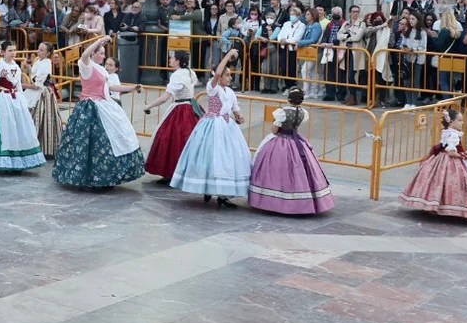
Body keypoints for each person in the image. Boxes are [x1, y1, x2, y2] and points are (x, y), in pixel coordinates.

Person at [51, 36, 144, 188]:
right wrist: (99, 41)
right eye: (100, 53)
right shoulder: (86, 66)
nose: (103, 56)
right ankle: (87, 176)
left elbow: (111, 87)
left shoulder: (101, 70)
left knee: (111, 140)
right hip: (90, 106)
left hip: (105, 104)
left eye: (103, 53)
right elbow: (84, 55)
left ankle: (106, 176)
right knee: (91, 142)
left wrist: (132, 88)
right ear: (94, 54)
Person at [171, 49, 251, 205]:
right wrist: (227, 56)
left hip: (228, 127)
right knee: (209, 157)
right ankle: (207, 188)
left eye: (230, 75)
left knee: (227, 159)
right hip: (213, 124)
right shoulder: (213, 87)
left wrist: (239, 117)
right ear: (219, 76)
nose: (230, 77)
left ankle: (223, 195)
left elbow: (235, 109)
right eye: (227, 75)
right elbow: (216, 74)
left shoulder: (230, 92)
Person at [247, 89, 334, 215]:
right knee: (299, 169)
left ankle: (274, 200)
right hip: (296, 142)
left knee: (276, 168)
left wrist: (275, 125)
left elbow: (275, 131)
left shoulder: (282, 112)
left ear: (288, 99)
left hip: (281, 141)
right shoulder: (303, 113)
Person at [399, 106, 467, 219]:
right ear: (451, 122)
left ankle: (435, 204)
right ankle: (456, 207)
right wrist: (464, 156)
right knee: (456, 182)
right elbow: (452, 153)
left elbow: (440, 146)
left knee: (437, 182)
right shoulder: (453, 135)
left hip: (440, 159)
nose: (462, 123)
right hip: (450, 161)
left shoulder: (447, 132)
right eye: (460, 120)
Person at [0, 43, 46, 173]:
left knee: (16, 128)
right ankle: (0, 158)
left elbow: (18, 87)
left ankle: (16, 160)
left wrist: (23, 102)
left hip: (13, 100)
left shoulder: (16, 66)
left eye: (14, 50)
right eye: (10, 50)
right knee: (0, 129)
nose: (13, 53)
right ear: (3, 52)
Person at [141, 50, 199, 184]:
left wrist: (148, 106)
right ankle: (184, 172)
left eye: (172, 58)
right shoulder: (190, 72)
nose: (170, 60)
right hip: (191, 107)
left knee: (171, 140)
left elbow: (165, 98)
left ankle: (171, 173)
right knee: (186, 140)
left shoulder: (177, 75)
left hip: (180, 108)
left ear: (178, 61)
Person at [22, 41, 63, 157]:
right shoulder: (38, 61)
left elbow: (38, 85)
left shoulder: (47, 63)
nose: (38, 52)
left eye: (42, 50)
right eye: (38, 49)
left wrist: (21, 85)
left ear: (48, 53)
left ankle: (41, 146)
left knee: (41, 118)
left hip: (42, 93)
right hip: (33, 91)